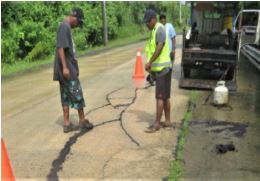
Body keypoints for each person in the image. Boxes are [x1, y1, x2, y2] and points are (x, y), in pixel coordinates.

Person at [53, 8, 93, 133]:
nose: (78, 25)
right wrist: (65, 67)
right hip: (67, 70)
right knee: (77, 94)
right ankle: (82, 120)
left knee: (65, 96)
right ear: (74, 17)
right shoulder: (65, 27)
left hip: (65, 70)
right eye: (79, 22)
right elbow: (60, 48)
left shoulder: (64, 27)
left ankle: (67, 123)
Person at [143, 9, 172, 133]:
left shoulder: (159, 29)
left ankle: (157, 124)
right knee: (164, 97)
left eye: (148, 22)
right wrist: (151, 71)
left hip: (163, 70)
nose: (147, 24)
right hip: (160, 70)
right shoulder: (154, 30)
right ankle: (167, 121)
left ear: (154, 19)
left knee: (160, 97)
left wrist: (150, 62)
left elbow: (160, 47)